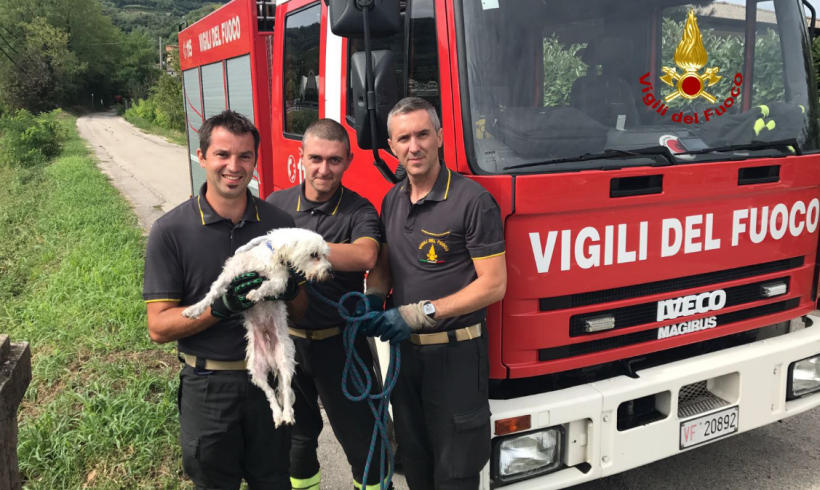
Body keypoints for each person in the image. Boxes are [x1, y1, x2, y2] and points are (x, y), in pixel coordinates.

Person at [143, 110, 306, 490]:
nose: (233, 166)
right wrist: (219, 308)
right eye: (222, 155)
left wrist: (292, 290)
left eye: (244, 156)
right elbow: (158, 327)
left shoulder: (280, 224)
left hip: (269, 381)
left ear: (255, 161)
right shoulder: (171, 231)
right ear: (201, 157)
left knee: (274, 481)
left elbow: (301, 311)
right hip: (208, 386)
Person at [362, 97, 507, 490]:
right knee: (416, 459)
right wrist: (373, 295)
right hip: (406, 355)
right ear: (391, 146)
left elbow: (494, 284)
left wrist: (418, 313)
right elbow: (386, 264)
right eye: (404, 138)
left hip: (457, 356)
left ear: (440, 137)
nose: (415, 146)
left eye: (423, 134)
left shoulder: (472, 200)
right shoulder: (392, 199)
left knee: (456, 469)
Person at [266, 119, 384, 490]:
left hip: (341, 345)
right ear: (301, 158)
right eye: (315, 158)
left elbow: (366, 255)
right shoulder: (277, 205)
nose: (324, 169)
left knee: (366, 443)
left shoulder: (358, 210)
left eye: (334, 160)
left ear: (348, 162)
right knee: (296, 440)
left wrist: (302, 250)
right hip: (287, 343)